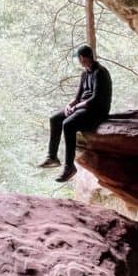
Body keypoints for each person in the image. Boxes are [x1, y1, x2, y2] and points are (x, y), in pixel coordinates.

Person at [38, 45, 112, 183]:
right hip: (83, 108)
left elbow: (95, 99)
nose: (79, 61)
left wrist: (76, 106)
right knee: (55, 119)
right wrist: (70, 105)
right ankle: (52, 157)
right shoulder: (85, 74)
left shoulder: (100, 73)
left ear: (82, 58)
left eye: (79, 59)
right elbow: (78, 96)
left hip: (97, 111)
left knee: (68, 124)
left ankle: (69, 167)